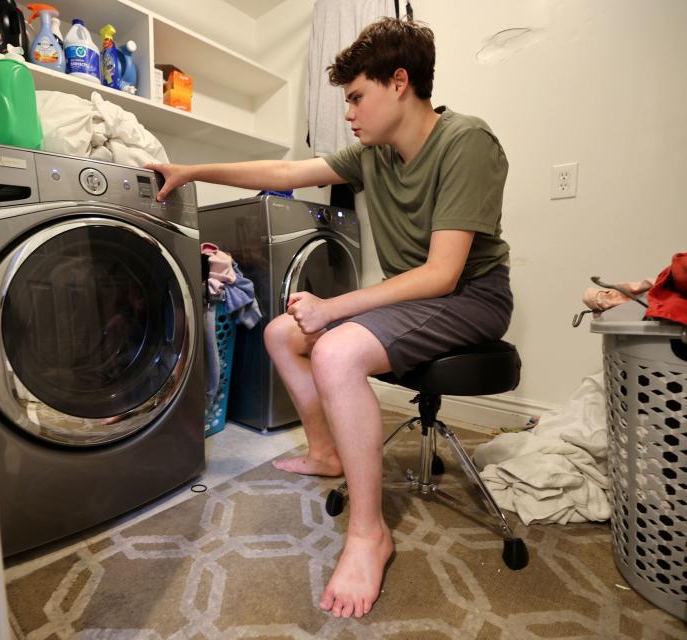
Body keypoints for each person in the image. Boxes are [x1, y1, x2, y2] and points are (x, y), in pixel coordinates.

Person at [146, 17, 512, 620]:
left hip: (471, 295)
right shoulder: (373, 155)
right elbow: (286, 173)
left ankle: (370, 534)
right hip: (414, 299)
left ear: (400, 83)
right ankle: (326, 452)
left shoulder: (466, 140)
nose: (349, 112)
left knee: (335, 348)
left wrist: (333, 308)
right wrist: (193, 171)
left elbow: (443, 274)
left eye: (356, 97)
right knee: (278, 332)